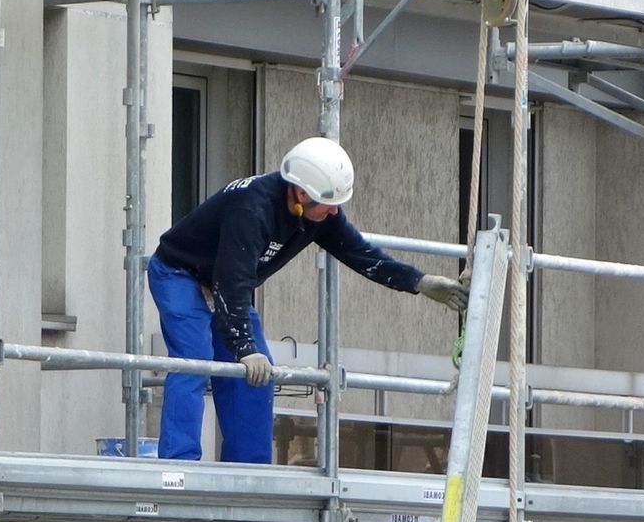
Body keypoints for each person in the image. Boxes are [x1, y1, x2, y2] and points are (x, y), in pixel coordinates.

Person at [147, 136, 467, 463]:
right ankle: (178, 467)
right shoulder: (252, 209)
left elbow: (361, 254)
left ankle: (250, 473)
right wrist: (245, 347)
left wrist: (419, 282)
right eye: (329, 204)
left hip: (223, 284)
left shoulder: (318, 213)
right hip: (178, 272)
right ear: (301, 193)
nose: (335, 211)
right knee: (194, 360)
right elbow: (233, 282)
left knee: (258, 376)